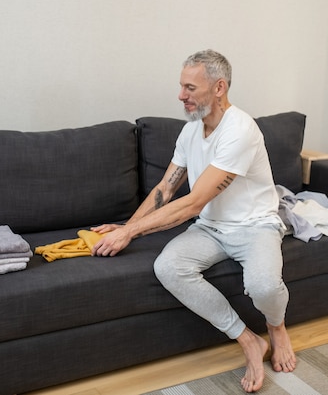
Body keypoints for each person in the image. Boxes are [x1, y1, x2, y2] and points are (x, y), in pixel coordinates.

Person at [91, 49, 296, 392]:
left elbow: (193, 202)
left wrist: (130, 234)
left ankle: (277, 328)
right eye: (181, 86)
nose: (180, 95)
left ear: (219, 88)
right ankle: (248, 340)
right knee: (168, 267)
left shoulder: (240, 130)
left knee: (263, 285)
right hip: (210, 228)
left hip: (254, 225)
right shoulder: (190, 132)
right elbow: (164, 189)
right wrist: (127, 226)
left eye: (189, 88)